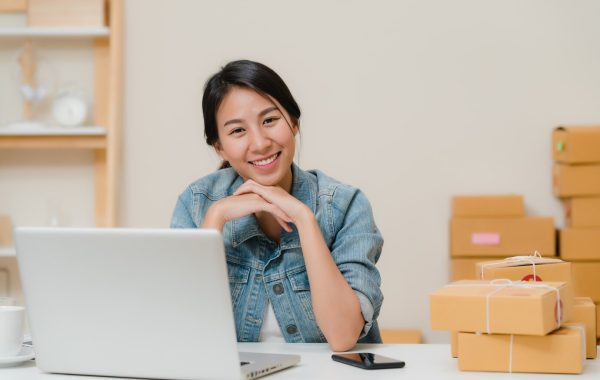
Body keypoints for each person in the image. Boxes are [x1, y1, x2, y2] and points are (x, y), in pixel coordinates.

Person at [171, 60, 383, 351]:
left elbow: (343, 335)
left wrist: (304, 218)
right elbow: (185, 331)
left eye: (270, 120)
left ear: (293, 122)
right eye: (237, 131)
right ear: (219, 146)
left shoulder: (345, 206)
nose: (259, 143)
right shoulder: (197, 202)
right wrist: (216, 218)